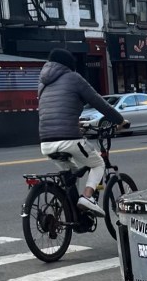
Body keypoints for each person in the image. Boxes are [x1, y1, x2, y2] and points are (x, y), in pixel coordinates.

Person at [38, 48, 125, 217]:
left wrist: (75, 122)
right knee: (98, 163)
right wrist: (120, 120)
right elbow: (100, 103)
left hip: (46, 142)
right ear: (69, 65)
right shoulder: (74, 78)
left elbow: (51, 110)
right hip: (68, 139)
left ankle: (73, 215)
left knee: (71, 172)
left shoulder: (42, 83)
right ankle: (87, 197)